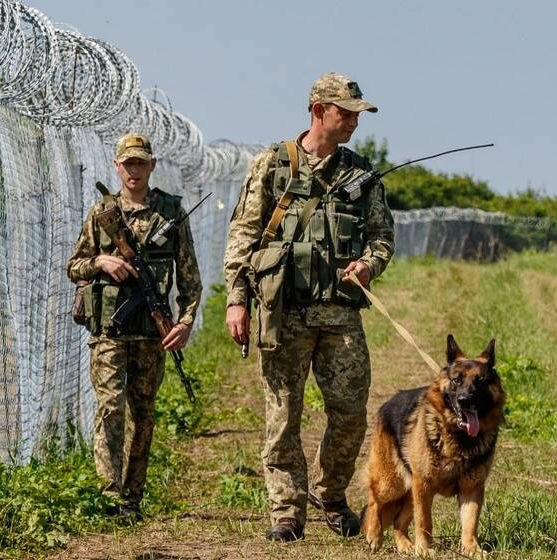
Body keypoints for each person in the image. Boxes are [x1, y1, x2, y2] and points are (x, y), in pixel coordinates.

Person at [223, 73, 395, 542]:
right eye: (346, 112)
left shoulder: (361, 174)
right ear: (319, 110)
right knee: (283, 414)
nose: (355, 121)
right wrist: (237, 300)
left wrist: (368, 263)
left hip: (340, 316)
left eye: (358, 113)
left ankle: (329, 493)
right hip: (285, 313)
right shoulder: (273, 165)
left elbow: (382, 238)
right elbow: (242, 236)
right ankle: (286, 509)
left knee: (350, 414)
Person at [67, 132, 202, 522]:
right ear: (117, 166)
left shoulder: (170, 212)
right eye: (128, 164)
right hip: (109, 333)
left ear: (152, 165)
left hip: (151, 336)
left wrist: (186, 322)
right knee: (110, 409)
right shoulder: (102, 214)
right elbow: (73, 266)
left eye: (141, 162)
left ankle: (132, 499)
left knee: (143, 416)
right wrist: (102, 263)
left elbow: (190, 280)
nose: (134, 170)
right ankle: (108, 496)